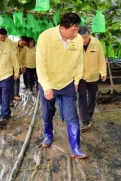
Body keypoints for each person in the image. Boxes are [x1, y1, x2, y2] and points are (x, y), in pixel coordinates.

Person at [36, 12, 88, 159]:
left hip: (67, 83)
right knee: (48, 112)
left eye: (77, 29)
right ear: (63, 28)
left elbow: (79, 62)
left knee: (72, 115)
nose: (77, 33)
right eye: (74, 29)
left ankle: (75, 148)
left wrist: (77, 80)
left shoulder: (77, 40)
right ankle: (48, 135)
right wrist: (46, 86)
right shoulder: (45, 37)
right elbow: (40, 64)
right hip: (49, 83)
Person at [78, 26, 107, 130]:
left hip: (93, 75)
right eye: (81, 38)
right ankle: (85, 120)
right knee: (81, 97)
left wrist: (103, 72)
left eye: (85, 38)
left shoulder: (97, 43)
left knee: (92, 96)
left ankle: (89, 115)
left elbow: (101, 58)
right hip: (80, 76)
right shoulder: (75, 43)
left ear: (89, 35)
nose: (83, 41)